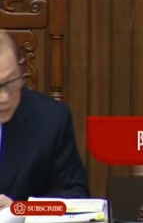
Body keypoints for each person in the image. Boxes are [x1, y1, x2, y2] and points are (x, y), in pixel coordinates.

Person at [0, 30, 89, 208]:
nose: (4, 98)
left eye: (11, 82)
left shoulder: (50, 119)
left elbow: (76, 196)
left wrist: (23, 210)